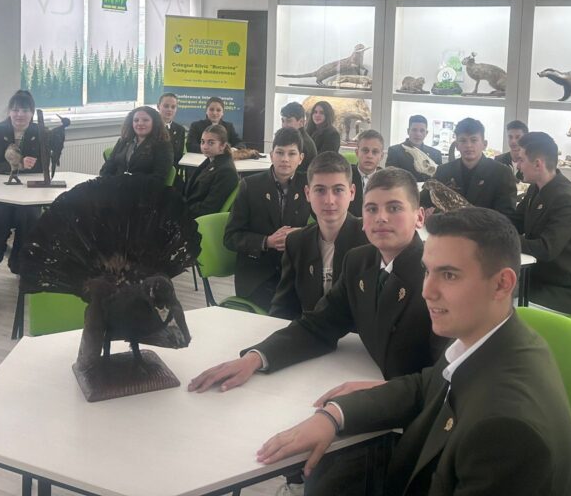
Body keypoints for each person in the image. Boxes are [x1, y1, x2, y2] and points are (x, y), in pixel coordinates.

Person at [255, 208, 571, 496]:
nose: (427, 290)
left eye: (449, 275)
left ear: (502, 284)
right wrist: (334, 415)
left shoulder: (505, 432)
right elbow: (428, 385)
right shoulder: (494, 338)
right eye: (428, 270)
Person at [190, 167, 445, 392]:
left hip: (418, 412)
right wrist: (255, 358)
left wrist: (376, 395)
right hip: (359, 376)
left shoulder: (439, 278)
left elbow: (449, 374)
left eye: (394, 208)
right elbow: (319, 324)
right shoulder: (359, 262)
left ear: (419, 217)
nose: (381, 217)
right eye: (371, 209)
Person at [270, 151, 368, 320]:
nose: (329, 200)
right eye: (320, 190)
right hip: (309, 333)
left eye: (338, 190)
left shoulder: (369, 240)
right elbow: (283, 308)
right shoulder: (296, 242)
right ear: (308, 194)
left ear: (352, 192)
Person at [224, 127, 311, 310]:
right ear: (271, 155)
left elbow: (323, 226)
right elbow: (231, 237)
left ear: (301, 158)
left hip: (294, 272)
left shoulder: (308, 186)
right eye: (280, 152)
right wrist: (267, 241)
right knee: (285, 312)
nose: (285, 159)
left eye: (291, 154)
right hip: (258, 275)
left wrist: (301, 234)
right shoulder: (250, 186)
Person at [510, 132, 571, 316]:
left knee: (498, 306)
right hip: (538, 278)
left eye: (521, 160)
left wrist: (504, 239)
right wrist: (487, 224)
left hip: (563, 291)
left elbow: (546, 249)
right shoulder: (536, 188)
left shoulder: (565, 199)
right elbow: (515, 221)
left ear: (538, 164)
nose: (518, 166)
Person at [0, 90, 43, 272]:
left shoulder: (41, 132)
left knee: (29, 216)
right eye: (15, 110)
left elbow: (44, 166)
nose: (20, 114)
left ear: (32, 112)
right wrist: (17, 164)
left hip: (28, 193)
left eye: (25, 110)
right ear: (9, 112)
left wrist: (30, 165)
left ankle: (18, 261)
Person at [432, 118, 517, 219]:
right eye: (463, 140)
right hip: (448, 227)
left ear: (484, 144)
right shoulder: (443, 171)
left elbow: (506, 216)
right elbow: (425, 202)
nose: (468, 145)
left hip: (487, 228)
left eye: (474, 140)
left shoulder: (502, 173)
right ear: (457, 145)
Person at [99, 106, 173, 181]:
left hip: (142, 187)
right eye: (136, 120)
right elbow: (106, 169)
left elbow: (158, 179)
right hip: (116, 184)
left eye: (145, 120)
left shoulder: (163, 146)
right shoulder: (123, 141)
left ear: (154, 123)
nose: (140, 123)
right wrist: (109, 182)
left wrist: (125, 183)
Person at [183, 124, 240, 217]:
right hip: (191, 210)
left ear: (222, 145)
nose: (205, 147)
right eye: (202, 142)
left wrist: (181, 210)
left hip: (197, 218)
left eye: (211, 143)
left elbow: (208, 208)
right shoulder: (211, 160)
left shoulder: (226, 172)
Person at [385, 114, 443, 181]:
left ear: (426, 133)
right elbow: (390, 178)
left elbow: (440, 179)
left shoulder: (435, 154)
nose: (418, 134)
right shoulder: (395, 151)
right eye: (414, 130)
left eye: (422, 130)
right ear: (408, 131)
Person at [350, 129, 385, 218]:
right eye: (365, 150)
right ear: (357, 153)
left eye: (375, 152)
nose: (369, 156)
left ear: (381, 156)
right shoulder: (346, 176)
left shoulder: (386, 180)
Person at [280, 101, 318, 173]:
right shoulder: (297, 138)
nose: (284, 125)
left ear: (301, 122)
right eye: (283, 121)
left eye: (289, 121)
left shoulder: (302, 143)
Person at [157, 92, 187, 167]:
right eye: (166, 106)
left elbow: (178, 156)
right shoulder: (150, 127)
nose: (169, 109)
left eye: (173, 107)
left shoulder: (180, 130)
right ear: (158, 106)